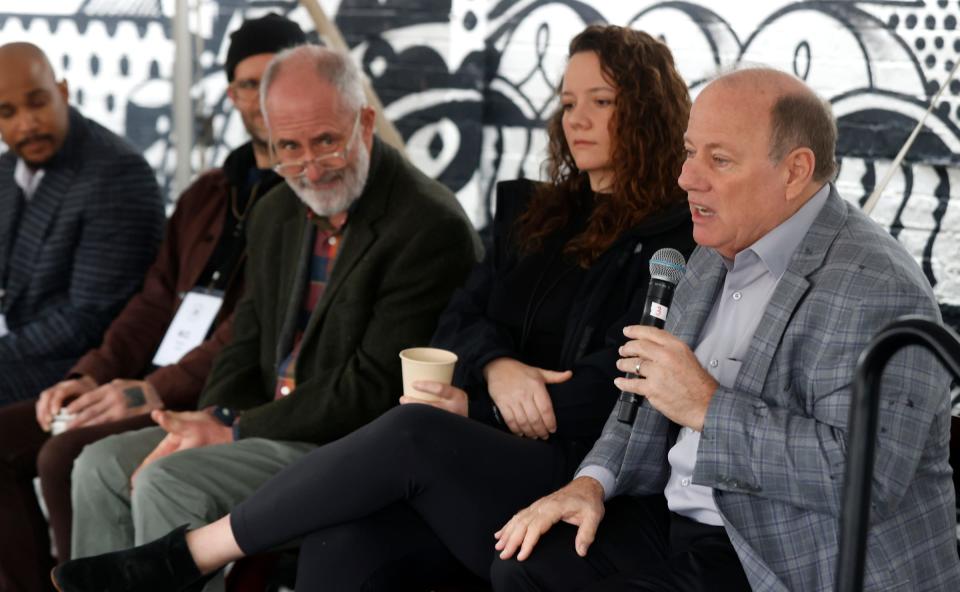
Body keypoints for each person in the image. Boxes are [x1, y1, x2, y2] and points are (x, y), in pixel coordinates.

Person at [50, 25, 697, 592]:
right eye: (566, 103)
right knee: (344, 542)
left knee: (415, 428)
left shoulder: (673, 240)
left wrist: (480, 404)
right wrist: (497, 364)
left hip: (577, 472)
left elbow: (617, 387)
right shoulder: (536, 215)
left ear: (648, 112)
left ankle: (188, 557)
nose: (576, 119)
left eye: (602, 102)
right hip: (475, 454)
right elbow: (459, 323)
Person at [489, 68, 960, 591]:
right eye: (690, 153)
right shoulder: (714, 249)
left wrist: (707, 407)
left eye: (719, 159)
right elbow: (639, 407)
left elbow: (868, 478)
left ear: (794, 171)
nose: (686, 178)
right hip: (677, 516)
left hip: (783, 553)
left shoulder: (877, 287)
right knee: (522, 568)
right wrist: (589, 482)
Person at [62, 43, 480, 592]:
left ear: (366, 122)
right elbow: (245, 338)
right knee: (98, 466)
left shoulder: (428, 225)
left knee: (168, 480)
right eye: (289, 147)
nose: (308, 166)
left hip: (348, 446)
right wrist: (212, 415)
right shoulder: (276, 210)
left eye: (327, 141)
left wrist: (232, 429)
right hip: (261, 426)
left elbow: (372, 389)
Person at [0, 15, 305, 592]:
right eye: (247, 83)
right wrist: (94, 374)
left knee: (64, 455)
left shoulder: (310, 196)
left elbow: (252, 327)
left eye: (277, 78)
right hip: (153, 375)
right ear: (230, 92)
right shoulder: (209, 192)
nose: (262, 98)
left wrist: (153, 387)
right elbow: (153, 301)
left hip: (217, 392)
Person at [0, 42, 164, 406]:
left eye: (37, 102)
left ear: (63, 91)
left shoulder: (116, 172)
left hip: (82, 366)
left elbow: (88, 321)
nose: (26, 124)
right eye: (7, 112)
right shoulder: (8, 169)